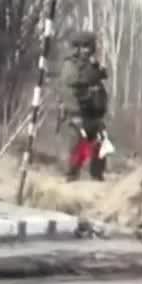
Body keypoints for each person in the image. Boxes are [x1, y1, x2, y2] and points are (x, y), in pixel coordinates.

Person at [58, 30, 110, 181]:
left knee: (100, 141)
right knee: (77, 143)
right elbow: (67, 91)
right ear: (78, 48)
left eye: (90, 47)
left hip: (94, 112)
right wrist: (74, 114)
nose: (89, 51)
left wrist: (98, 69)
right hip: (78, 112)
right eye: (86, 47)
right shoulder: (71, 66)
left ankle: (97, 175)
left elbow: (101, 77)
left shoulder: (91, 64)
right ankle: (71, 175)